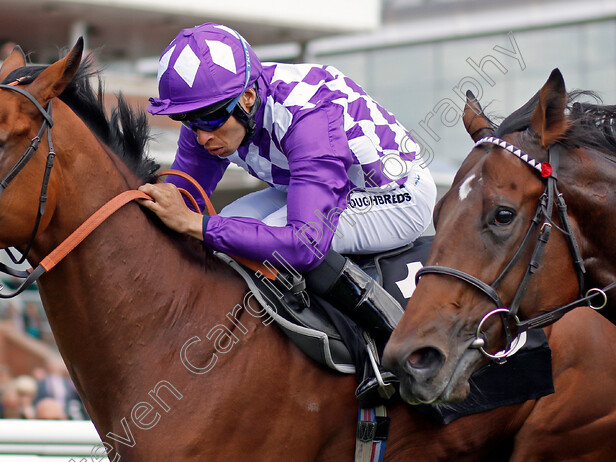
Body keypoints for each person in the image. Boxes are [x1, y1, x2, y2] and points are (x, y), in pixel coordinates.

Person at [140, 23, 436, 397]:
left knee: (247, 236)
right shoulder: (217, 107)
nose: (200, 136)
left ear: (248, 97)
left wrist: (198, 224)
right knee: (232, 225)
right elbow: (180, 202)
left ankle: (391, 351)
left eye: (210, 120)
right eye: (187, 120)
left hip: (394, 196)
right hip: (314, 187)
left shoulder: (306, 115)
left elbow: (305, 242)